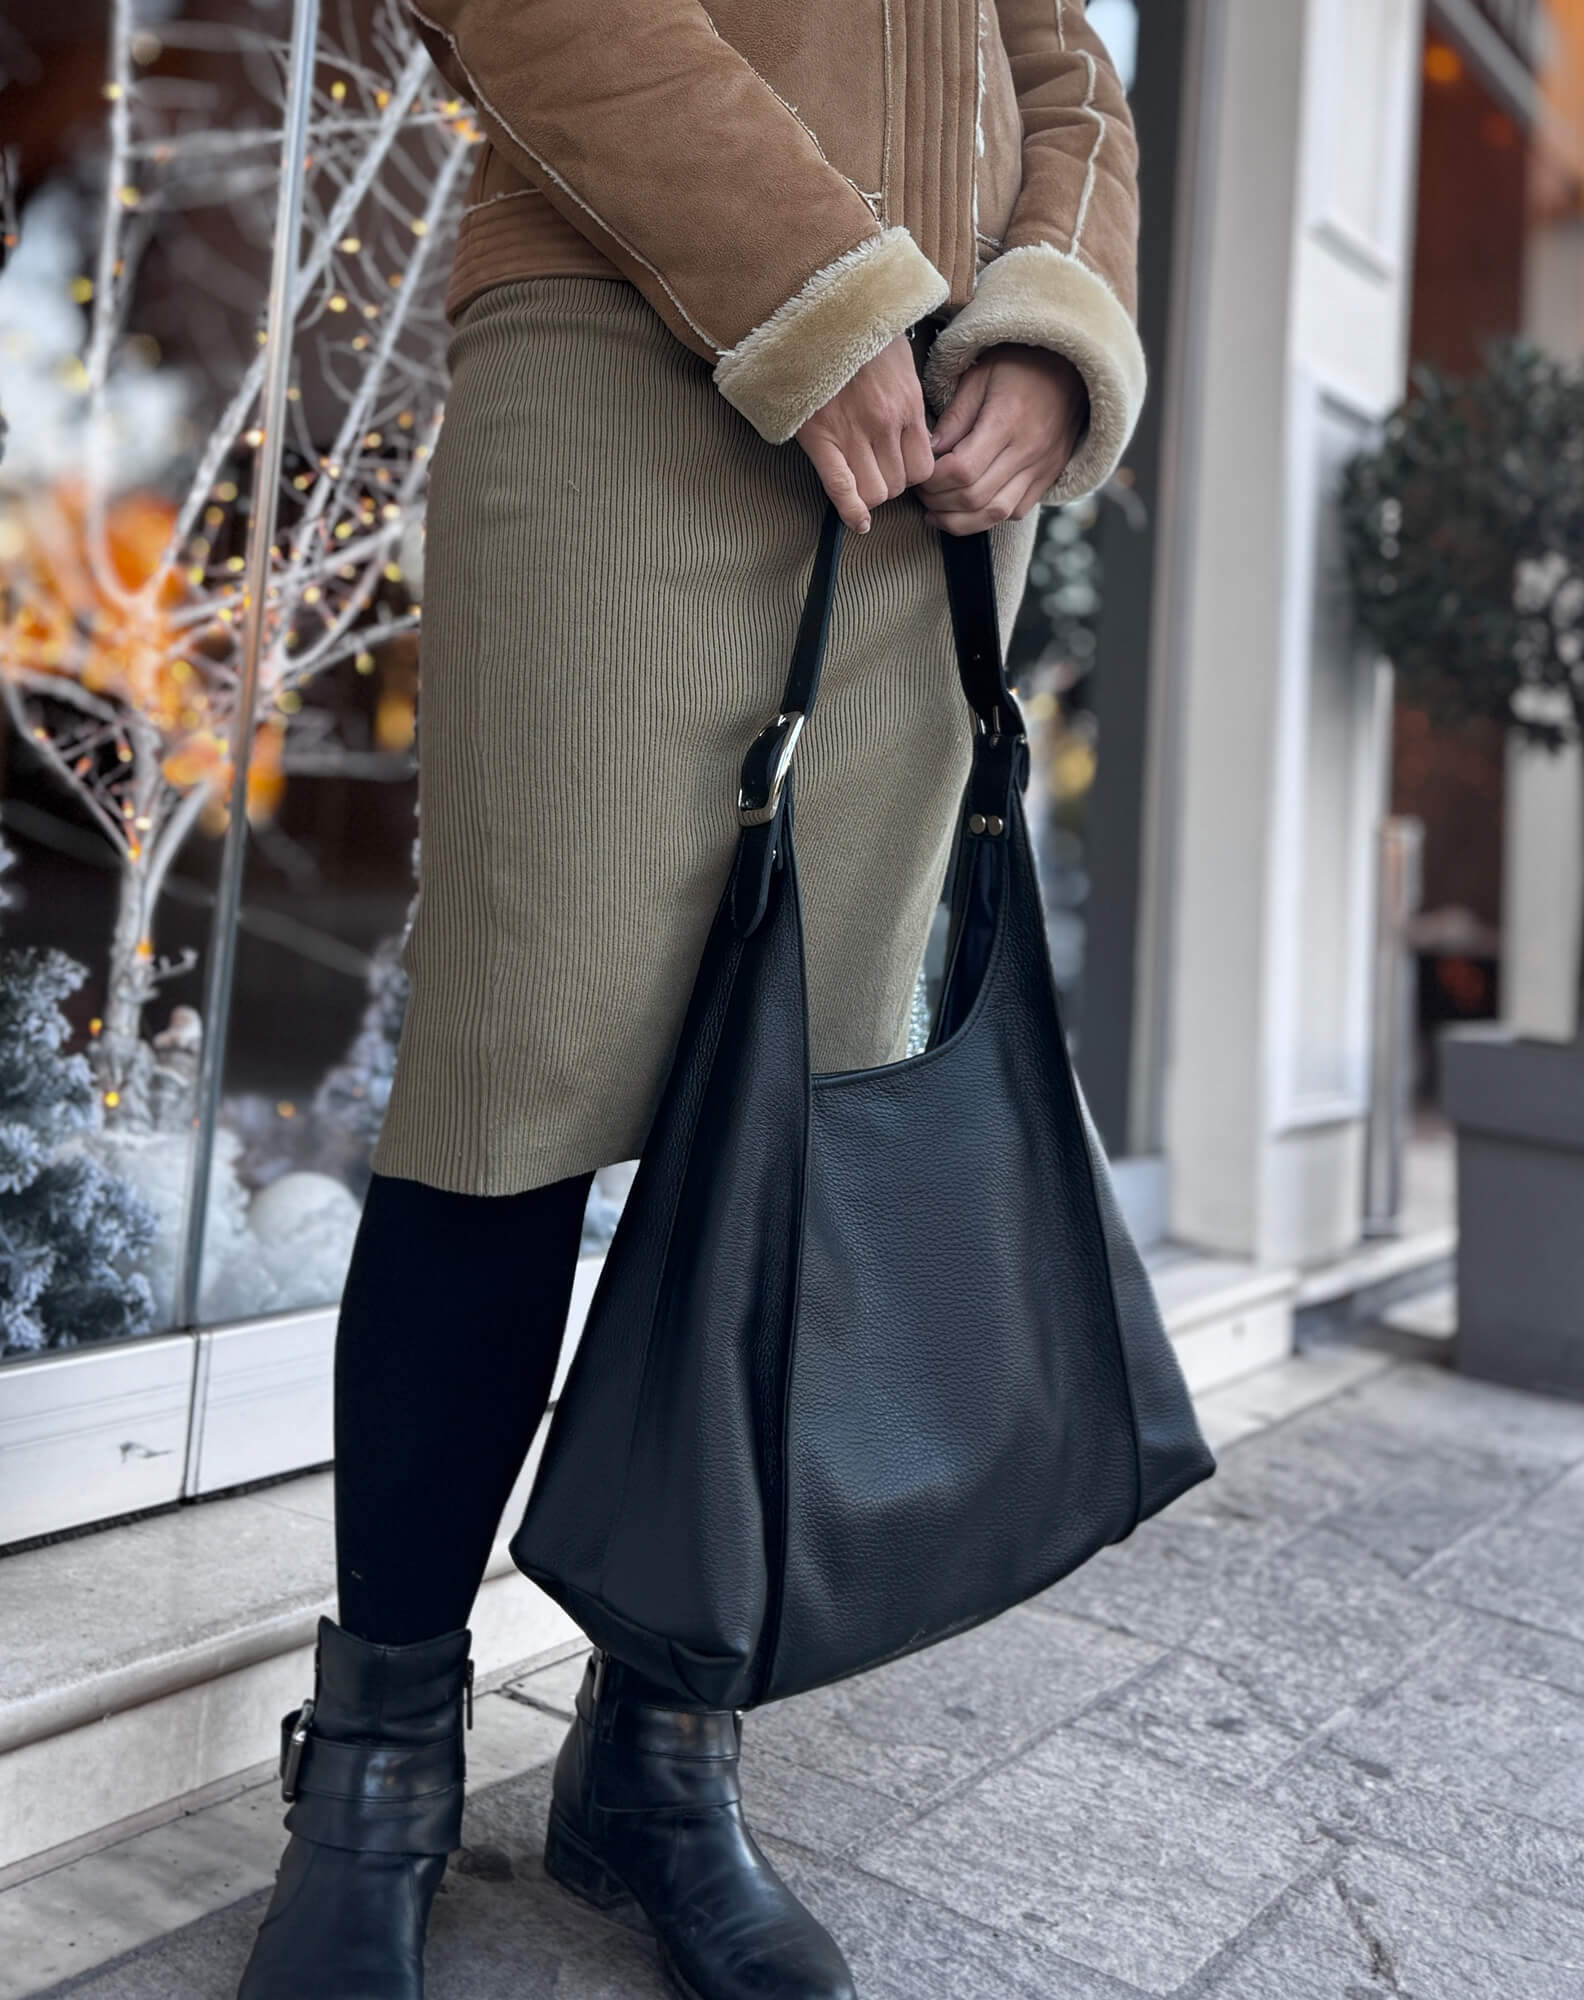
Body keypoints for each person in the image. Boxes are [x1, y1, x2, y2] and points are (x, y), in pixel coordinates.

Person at [235, 3, 1142, 1996]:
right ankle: (377, 1759)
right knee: (510, 1088)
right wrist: (807, 290)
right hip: (621, 354)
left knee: (796, 1140)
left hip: (928, 469)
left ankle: (660, 1751)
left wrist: (1053, 330)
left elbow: (1063, 59)